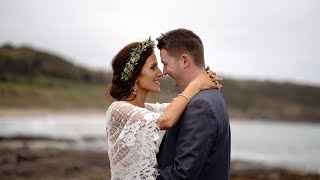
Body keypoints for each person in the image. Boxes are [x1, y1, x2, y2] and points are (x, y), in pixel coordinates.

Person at [105, 37, 222, 180]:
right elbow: (167, 120)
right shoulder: (118, 110)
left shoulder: (149, 110)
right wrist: (196, 84)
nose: (160, 73)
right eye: (153, 67)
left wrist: (203, 76)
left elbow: (181, 106)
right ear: (134, 76)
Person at [156, 28, 231, 180]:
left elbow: (183, 174)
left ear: (185, 60)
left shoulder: (201, 104)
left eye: (165, 63)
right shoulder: (209, 96)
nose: (163, 72)